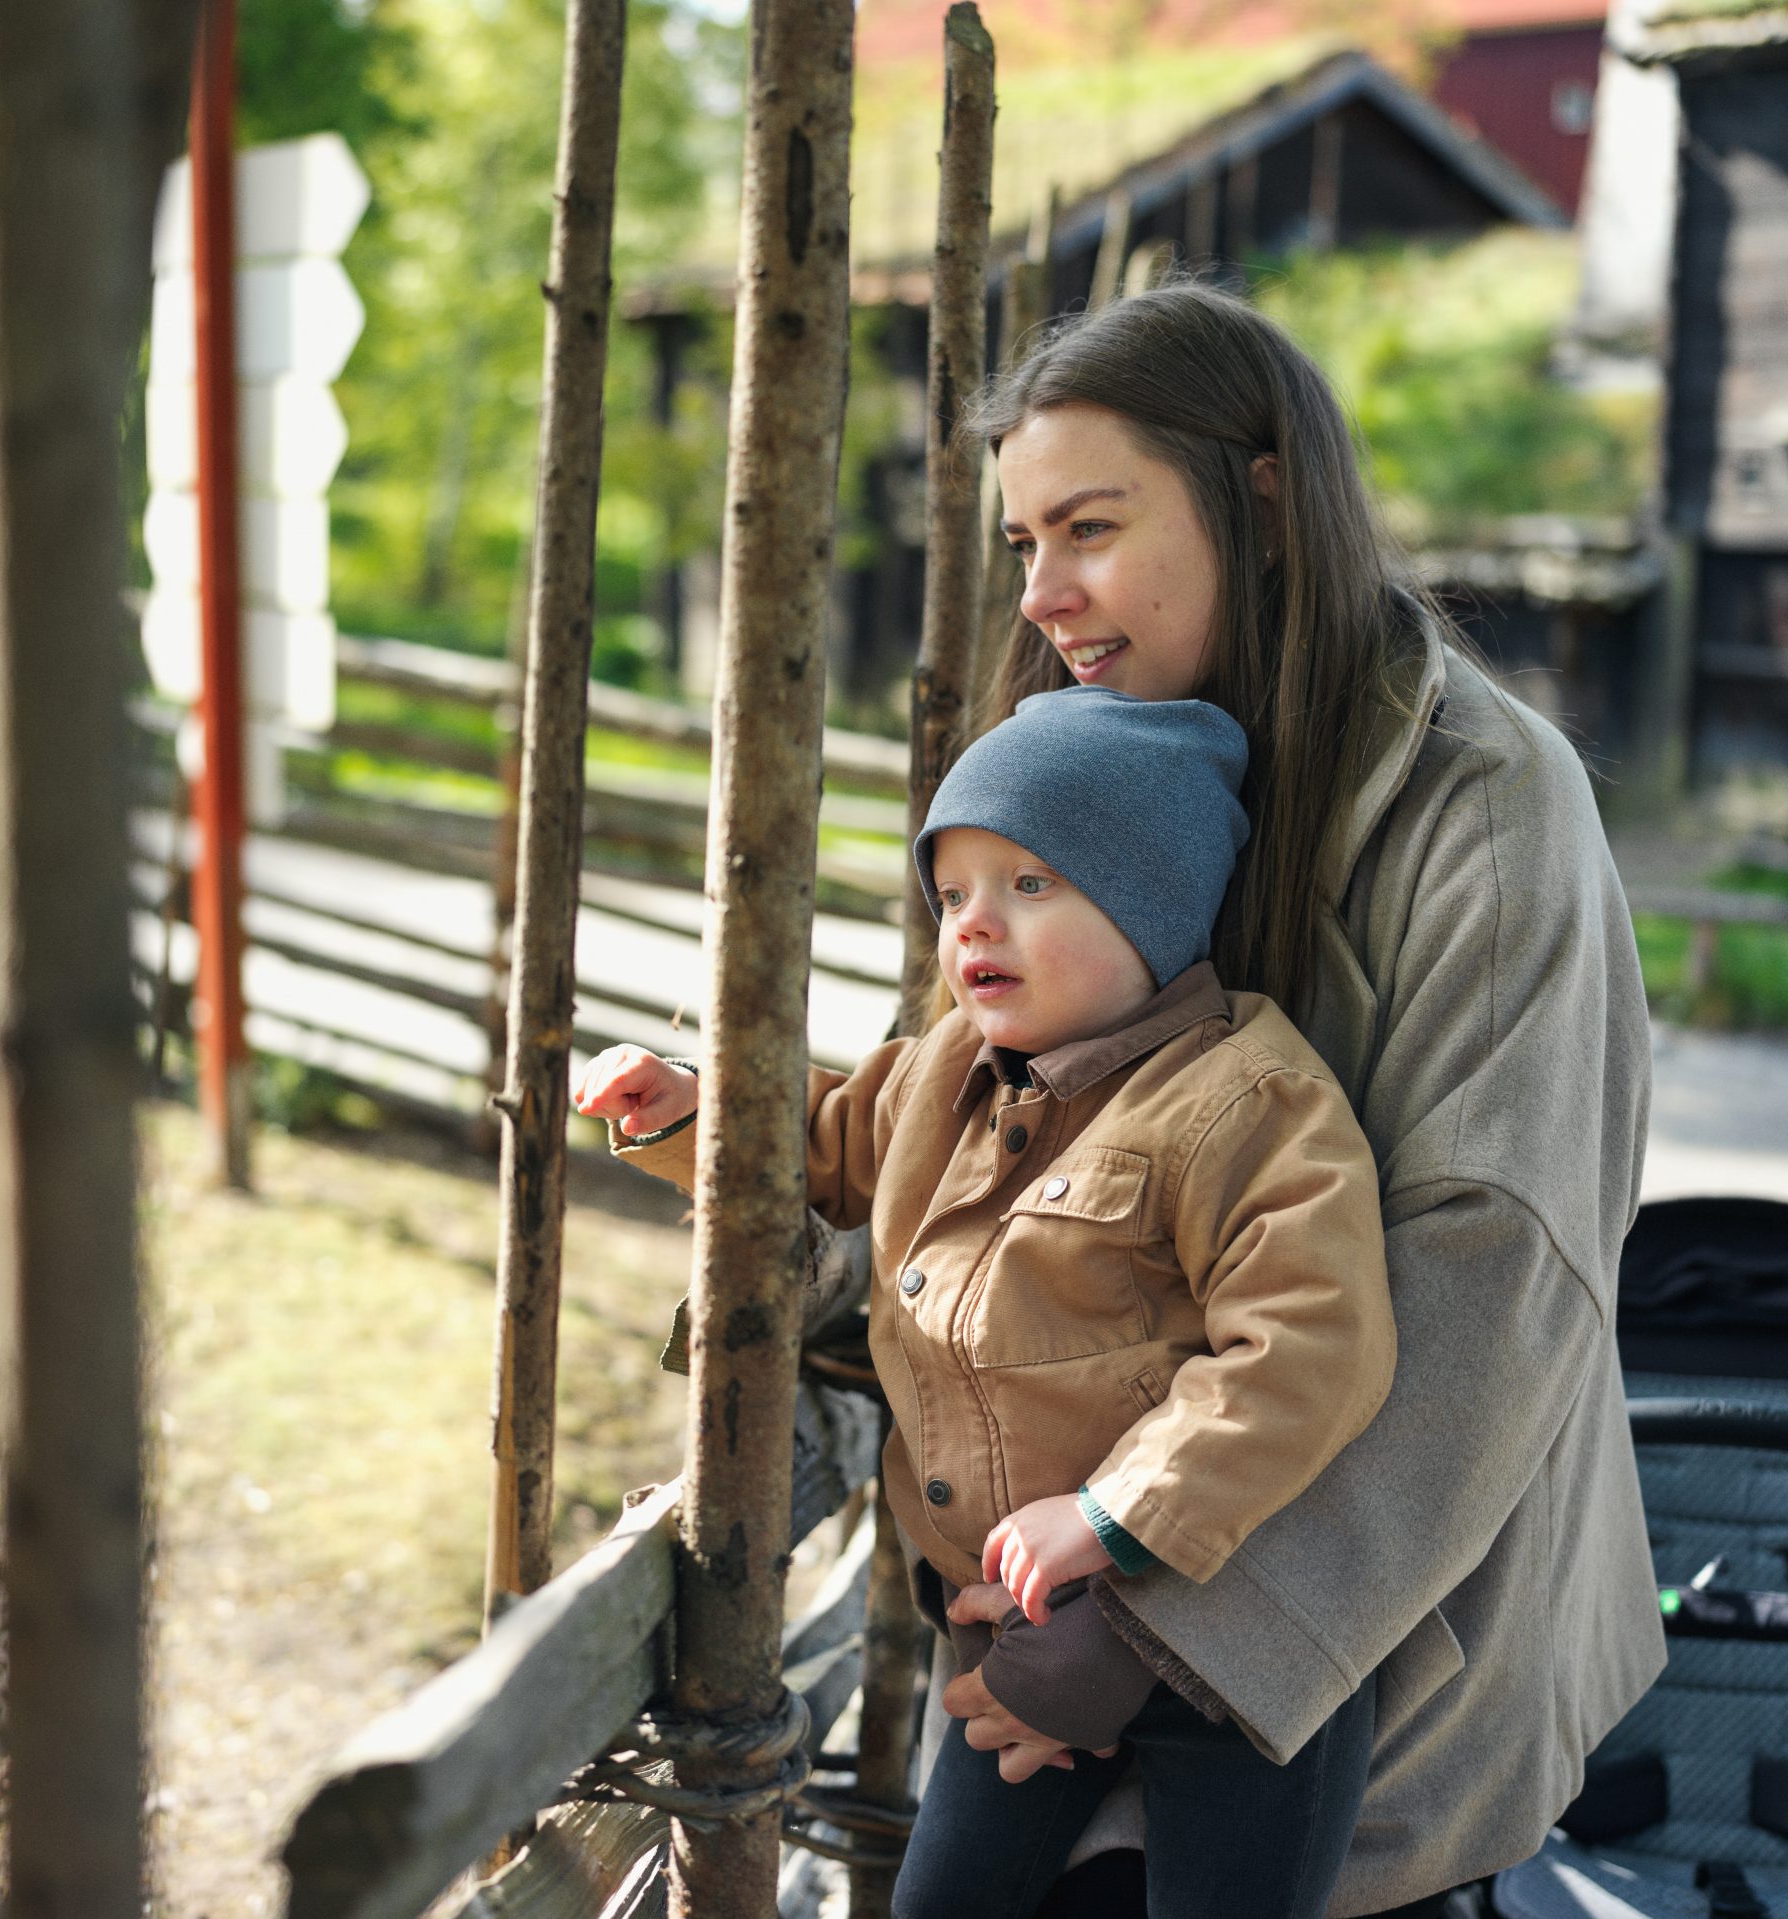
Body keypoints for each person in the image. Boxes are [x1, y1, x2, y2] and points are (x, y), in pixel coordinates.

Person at [929, 281, 1665, 1917]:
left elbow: (1495, 1272)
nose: (1042, 591)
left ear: (1260, 497)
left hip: (1364, 1634)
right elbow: (960, 1121)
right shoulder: (1067, 759)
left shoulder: (1483, 797)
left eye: (1091, 527)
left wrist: (1159, 1627)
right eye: (1024, 541)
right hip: (1058, 1606)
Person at [577, 683, 1398, 1919]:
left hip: (1222, 1649)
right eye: (952, 892)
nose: (975, 922)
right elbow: (823, 1135)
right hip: (1008, 1632)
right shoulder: (947, 1072)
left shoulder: (1244, 1100)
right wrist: (693, 1109)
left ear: (1153, 898)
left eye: (1029, 882)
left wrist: (1116, 1515)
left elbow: (1309, 1344)